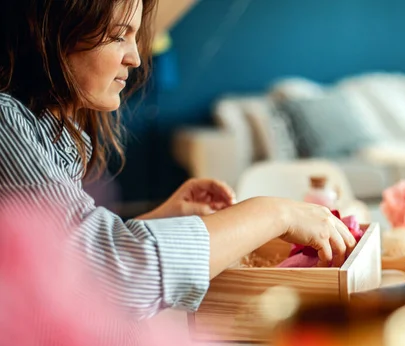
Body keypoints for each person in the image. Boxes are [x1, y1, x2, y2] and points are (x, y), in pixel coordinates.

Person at [0, 0, 357, 320]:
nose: (135, 58)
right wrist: (275, 213)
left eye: (135, 37)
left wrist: (159, 219)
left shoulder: (50, 131)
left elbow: (61, 260)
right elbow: (109, 279)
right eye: (117, 35)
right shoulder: (5, 122)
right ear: (49, 32)